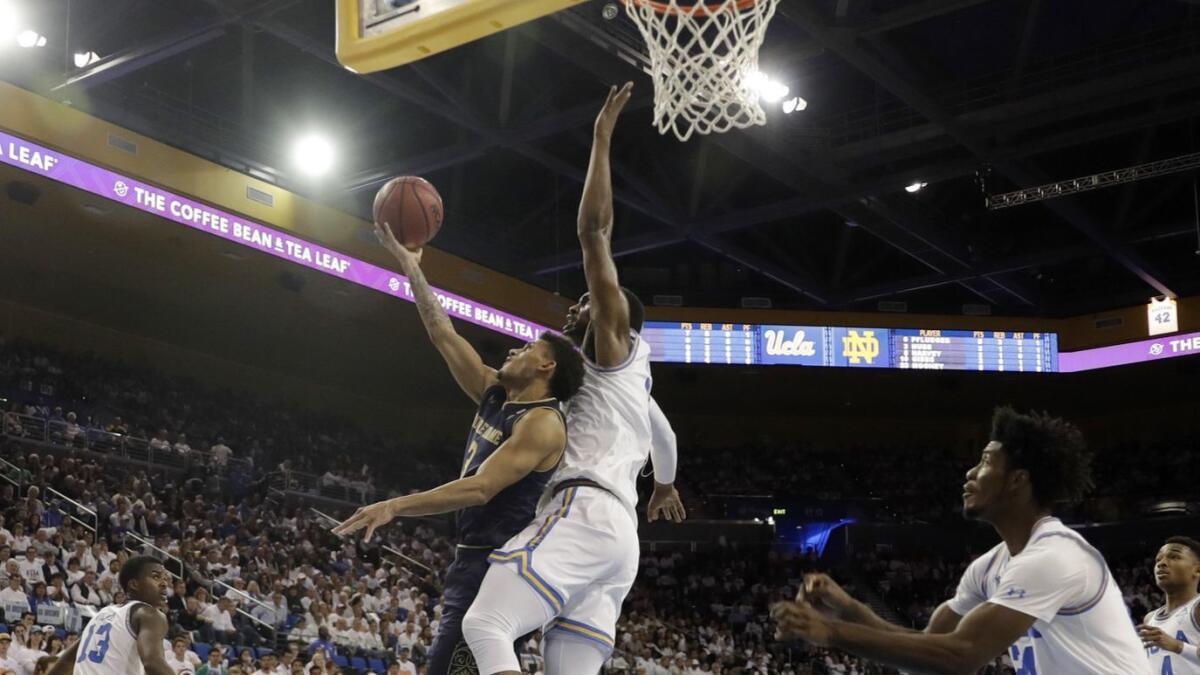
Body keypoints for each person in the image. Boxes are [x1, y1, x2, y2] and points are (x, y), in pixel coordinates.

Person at [459, 82, 682, 675]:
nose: (576, 308)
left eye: (587, 301)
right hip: (621, 540)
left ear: (617, 318)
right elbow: (667, 440)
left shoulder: (615, 347)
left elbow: (594, 235)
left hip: (582, 511)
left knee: (485, 625)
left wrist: (601, 138)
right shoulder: (632, 387)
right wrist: (663, 486)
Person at [333, 220, 587, 675]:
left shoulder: (543, 423)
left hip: (502, 566)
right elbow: (442, 334)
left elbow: (481, 489)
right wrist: (412, 268)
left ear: (547, 365)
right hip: (472, 558)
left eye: (527, 347)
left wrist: (395, 506)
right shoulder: (495, 393)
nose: (513, 349)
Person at [771, 407, 1149, 675]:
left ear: (1018, 480)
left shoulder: (1055, 556)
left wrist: (833, 633)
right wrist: (849, 609)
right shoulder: (989, 567)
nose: (970, 472)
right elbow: (927, 650)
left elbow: (961, 656)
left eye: (985, 462)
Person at [47, 555, 175, 675]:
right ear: (134, 584)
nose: (164, 583)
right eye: (156, 577)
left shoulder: (102, 614)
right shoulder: (149, 614)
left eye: (165, 578)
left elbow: (66, 662)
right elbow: (153, 663)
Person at [1139, 536, 1200, 674]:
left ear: (1197, 570)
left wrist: (1177, 646)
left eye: (1174, 557)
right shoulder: (1150, 618)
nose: (1162, 563)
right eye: (1158, 559)